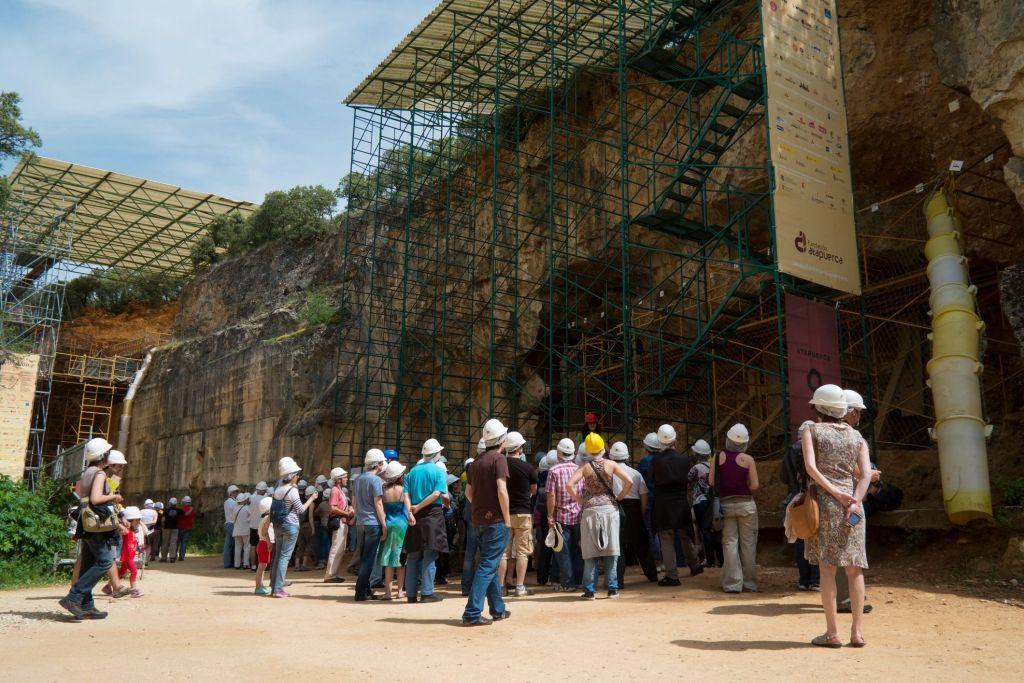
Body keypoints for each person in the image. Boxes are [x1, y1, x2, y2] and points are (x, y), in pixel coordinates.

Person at [802, 384, 872, 648]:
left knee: (827, 569)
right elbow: (865, 475)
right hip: (855, 507)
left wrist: (834, 493)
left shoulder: (812, 431)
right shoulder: (857, 437)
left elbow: (810, 467)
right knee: (855, 569)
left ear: (819, 408)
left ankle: (832, 633)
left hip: (828, 505)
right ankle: (857, 632)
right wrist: (855, 500)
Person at [60, 445, 123, 619]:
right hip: (97, 524)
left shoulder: (87, 472)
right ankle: (73, 597)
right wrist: (114, 497)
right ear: (103, 456)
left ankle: (87, 605)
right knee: (104, 562)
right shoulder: (100, 473)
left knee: (87, 564)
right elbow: (96, 499)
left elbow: (85, 498)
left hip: (86, 522)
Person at [568, 434, 632, 599]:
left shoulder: (584, 467)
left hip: (590, 510)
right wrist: (619, 497)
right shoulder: (611, 464)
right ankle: (612, 589)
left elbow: (570, 485)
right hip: (610, 509)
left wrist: (580, 500)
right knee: (612, 549)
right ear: (602, 448)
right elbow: (629, 481)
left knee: (590, 551)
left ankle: (589, 590)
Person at [462, 418, 512, 626]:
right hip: (496, 521)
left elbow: (468, 492)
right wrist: (507, 519)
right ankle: (472, 613)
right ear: (502, 439)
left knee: (488, 563)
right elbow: (502, 490)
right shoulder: (499, 460)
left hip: (479, 520)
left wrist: (480, 508)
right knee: (487, 566)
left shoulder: (475, 462)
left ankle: (498, 609)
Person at [836, 388, 877, 615]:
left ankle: (848, 596)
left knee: (842, 550)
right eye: (858, 412)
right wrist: (867, 476)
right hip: (851, 499)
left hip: (836, 498)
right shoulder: (852, 437)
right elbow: (856, 471)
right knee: (850, 550)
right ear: (849, 411)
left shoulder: (821, 434)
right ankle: (847, 599)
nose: (859, 416)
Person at [708, 424, 759, 593]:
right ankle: (750, 583)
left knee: (730, 543)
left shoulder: (717, 457)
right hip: (746, 505)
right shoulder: (749, 460)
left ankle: (732, 584)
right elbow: (755, 485)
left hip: (726, 505)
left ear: (728, 439)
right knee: (748, 544)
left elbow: (712, 482)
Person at [650, 424, 702, 585]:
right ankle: (695, 565)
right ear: (675, 441)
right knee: (685, 534)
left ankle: (672, 575)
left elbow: (652, 480)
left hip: (663, 503)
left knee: (666, 538)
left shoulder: (656, 461)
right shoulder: (684, 459)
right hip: (680, 502)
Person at [403, 438, 449, 603]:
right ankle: (427, 592)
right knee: (430, 554)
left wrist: (411, 511)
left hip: (415, 515)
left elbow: (406, 494)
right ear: (437, 454)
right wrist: (419, 506)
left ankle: (410, 594)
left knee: (413, 555)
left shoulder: (412, 472)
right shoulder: (438, 471)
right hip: (432, 515)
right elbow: (437, 494)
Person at [608, 442, 658, 586]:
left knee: (618, 546)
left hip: (616, 508)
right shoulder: (635, 474)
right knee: (642, 544)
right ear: (627, 456)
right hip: (635, 509)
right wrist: (641, 514)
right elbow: (644, 495)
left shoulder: (609, 473)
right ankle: (652, 575)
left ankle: (618, 581)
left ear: (611, 456)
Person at [269, 457, 318, 598]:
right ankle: (278, 588)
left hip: (278, 525)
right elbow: (301, 509)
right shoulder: (292, 491)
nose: (297, 477)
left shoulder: (278, 489)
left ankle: (274, 585)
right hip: (290, 525)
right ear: (291, 476)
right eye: (296, 474)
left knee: (278, 556)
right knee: (284, 557)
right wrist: (311, 498)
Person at [782, 421, 820, 591]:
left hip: (795, 498)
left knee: (800, 536)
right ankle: (816, 579)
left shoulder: (790, 451)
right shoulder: (812, 449)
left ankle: (803, 580)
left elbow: (783, 476)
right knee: (816, 535)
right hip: (812, 498)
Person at [502, 431, 537, 597]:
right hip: (523, 512)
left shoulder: (500, 465)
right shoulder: (527, 467)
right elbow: (534, 489)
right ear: (519, 448)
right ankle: (520, 586)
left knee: (504, 551)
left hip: (505, 513)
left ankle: (502, 585)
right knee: (523, 551)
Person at [546, 438, 584, 591]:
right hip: (578, 516)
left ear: (559, 453)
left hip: (561, 517)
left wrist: (550, 516)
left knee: (563, 551)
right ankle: (580, 580)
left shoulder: (553, 471)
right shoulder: (579, 469)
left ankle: (567, 583)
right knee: (577, 549)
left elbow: (551, 495)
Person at [353, 449, 388, 601]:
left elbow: (354, 503)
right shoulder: (375, 480)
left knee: (363, 558)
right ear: (378, 464)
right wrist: (384, 525)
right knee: (369, 559)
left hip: (360, 523)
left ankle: (366, 590)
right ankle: (361, 592)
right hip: (373, 523)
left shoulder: (358, 479)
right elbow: (378, 504)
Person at [376, 461, 414, 600]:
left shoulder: (384, 490)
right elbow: (409, 506)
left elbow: (382, 508)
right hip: (402, 525)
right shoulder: (402, 490)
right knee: (401, 560)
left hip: (388, 524)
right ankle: (399, 591)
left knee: (388, 560)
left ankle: (387, 592)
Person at [688, 438, 724, 569]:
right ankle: (721, 559)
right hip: (713, 501)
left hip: (700, 501)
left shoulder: (696, 468)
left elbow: (688, 480)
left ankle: (710, 560)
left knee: (705, 530)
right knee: (716, 530)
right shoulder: (713, 466)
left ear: (697, 454)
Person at [460, 440, 485, 595]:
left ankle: (466, 586)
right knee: (484, 552)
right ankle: (480, 587)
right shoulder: (487, 466)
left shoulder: (471, 467)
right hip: (482, 514)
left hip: (470, 514)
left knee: (470, 551)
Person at [324, 467, 353, 583]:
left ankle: (333, 573)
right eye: (344, 477)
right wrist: (347, 513)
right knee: (336, 548)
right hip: (340, 521)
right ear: (339, 479)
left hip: (343, 521)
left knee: (340, 548)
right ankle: (330, 574)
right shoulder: (335, 490)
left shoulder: (339, 490)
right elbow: (332, 508)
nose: (346, 479)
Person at [117, 506, 144, 598]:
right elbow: (120, 531)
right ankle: (133, 590)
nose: (139, 522)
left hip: (130, 555)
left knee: (122, 572)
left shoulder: (132, 530)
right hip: (127, 556)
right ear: (130, 521)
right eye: (137, 520)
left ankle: (108, 586)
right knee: (134, 571)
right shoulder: (126, 530)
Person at [294, 485, 318, 571]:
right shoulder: (311, 504)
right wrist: (313, 528)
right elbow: (310, 517)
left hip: (299, 526)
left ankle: (297, 565)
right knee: (309, 545)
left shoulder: (301, 503)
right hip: (307, 526)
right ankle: (304, 564)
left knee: (300, 545)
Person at [254, 496, 274, 595]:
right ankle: (258, 587)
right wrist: (270, 542)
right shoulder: (267, 518)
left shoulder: (263, 518)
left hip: (262, 543)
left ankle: (260, 585)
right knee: (262, 566)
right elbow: (264, 532)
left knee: (263, 566)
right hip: (264, 544)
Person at [248, 481, 268, 571]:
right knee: (264, 544)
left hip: (252, 525)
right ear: (264, 490)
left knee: (253, 545)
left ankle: (253, 565)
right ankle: (262, 564)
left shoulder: (251, 498)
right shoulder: (265, 499)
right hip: (261, 524)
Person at [232, 492, 251, 569]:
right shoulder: (247, 508)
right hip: (246, 530)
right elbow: (250, 518)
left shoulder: (234, 509)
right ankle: (245, 564)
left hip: (236, 530)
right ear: (243, 500)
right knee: (246, 547)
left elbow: (233, 519)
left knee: (237, 547)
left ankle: (237, 564)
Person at [161, 497, 181, 562]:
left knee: (165, 543)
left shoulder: (165, 510)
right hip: (175, 528)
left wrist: (163, 525)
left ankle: (164, 558)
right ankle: (172, 557)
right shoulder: (179, 510)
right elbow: (185, 515)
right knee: (173, 543)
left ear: (170, 503)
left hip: (166, 528)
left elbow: (163, 519)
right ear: (176, 503)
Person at [178, 495, 195, 561]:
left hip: (180, 527)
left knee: (177, 542)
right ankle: (182, 557)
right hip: (188, 528)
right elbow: (193, 519)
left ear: (183, 502)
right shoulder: (192, 510)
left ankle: (174, 556)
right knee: (184, 543)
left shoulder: (180, 509)